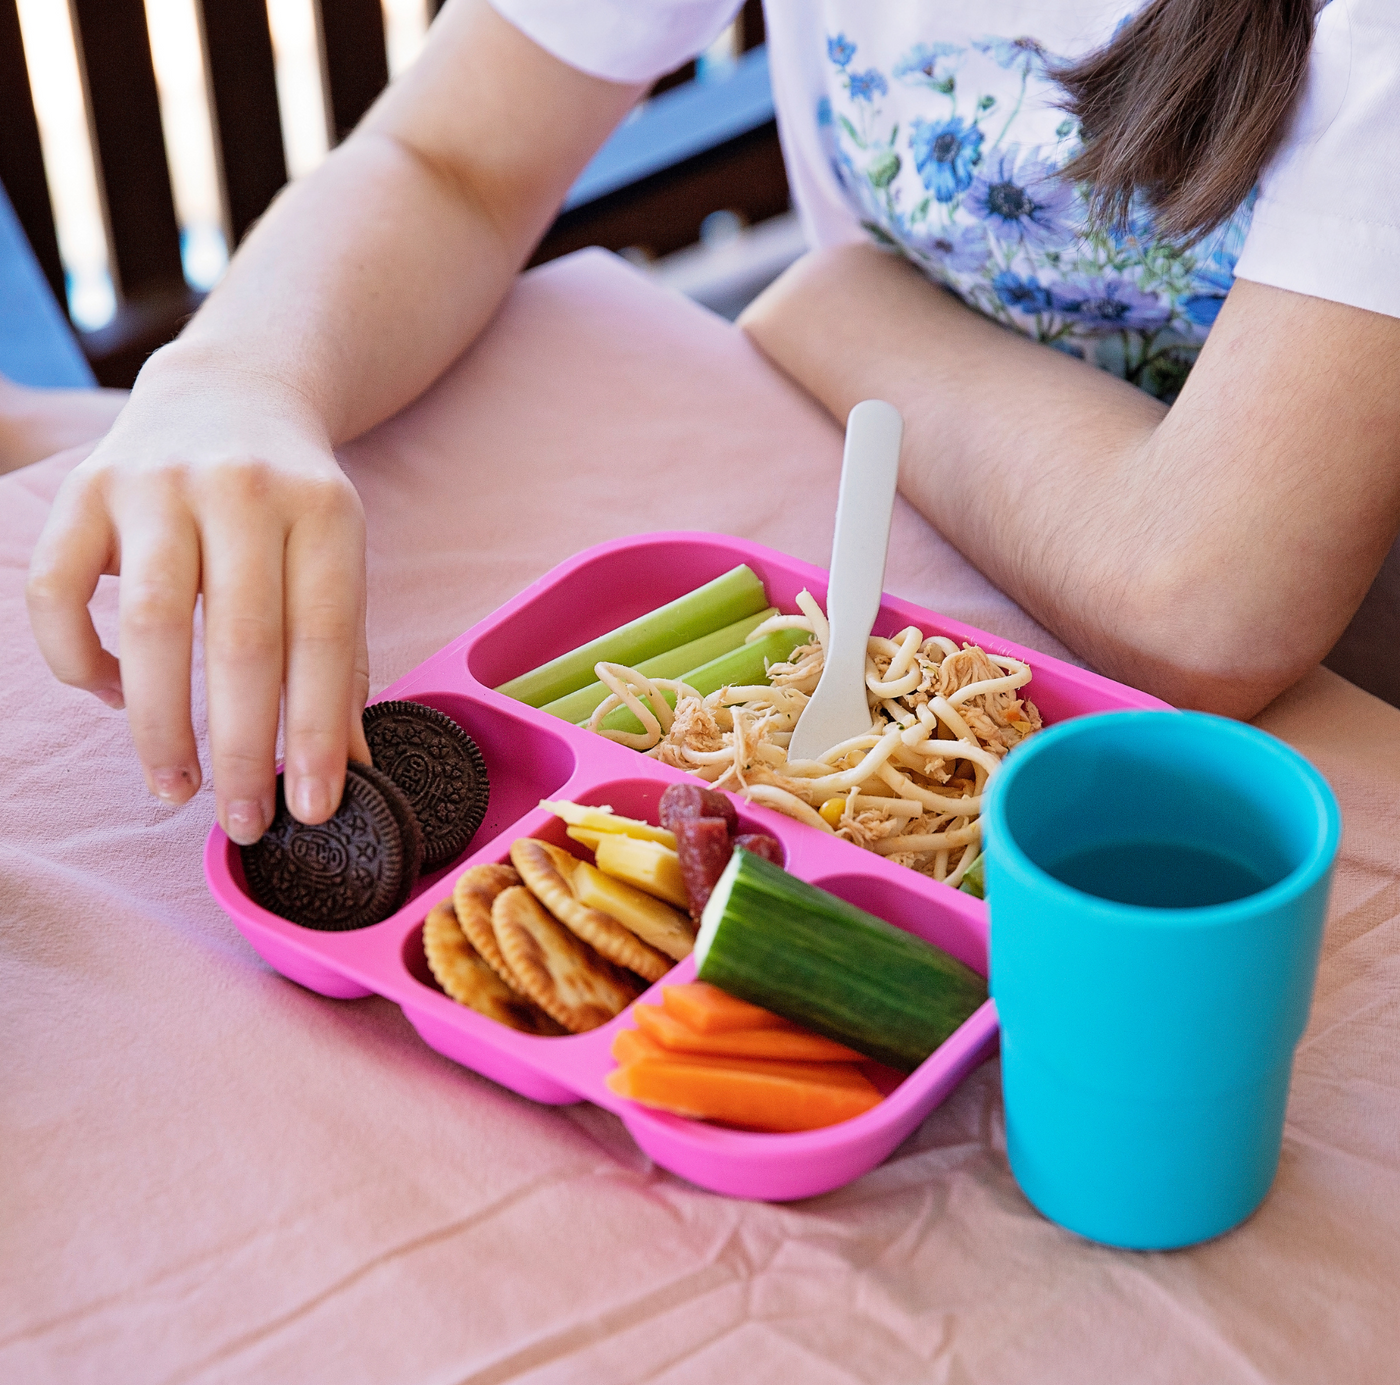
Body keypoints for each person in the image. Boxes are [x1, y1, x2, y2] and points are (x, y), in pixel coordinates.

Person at [18, 0, 1400, 848]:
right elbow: (448, 158)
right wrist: (239, 374)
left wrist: (843, 312)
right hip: (900, 519)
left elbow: (1202, 599)